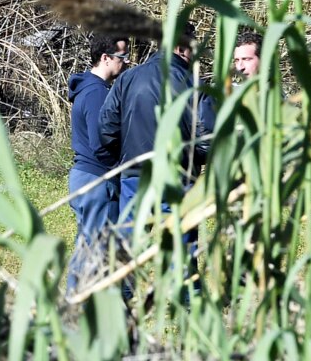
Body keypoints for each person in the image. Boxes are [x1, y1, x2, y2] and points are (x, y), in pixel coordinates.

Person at [97, 22, 210, 226]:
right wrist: (188, 161)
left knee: (131, 246)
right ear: (180, 47)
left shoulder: (127, 79)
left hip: (135, 176)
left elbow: (106, 129)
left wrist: (126, 159)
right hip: (177, 178)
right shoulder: (194, 85)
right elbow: (207, 142)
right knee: (179, 248)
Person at [66, 35, 129, 294]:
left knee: (89, 244)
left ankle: (80, 302)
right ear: (105, 58)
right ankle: (76, 304)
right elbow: (100, 143)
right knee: (94, 247)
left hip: (85, 176)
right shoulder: (95, 93)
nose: (126, 63)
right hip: (95, 179)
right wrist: (122, 166)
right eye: (122, 58)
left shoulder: (89, 89)